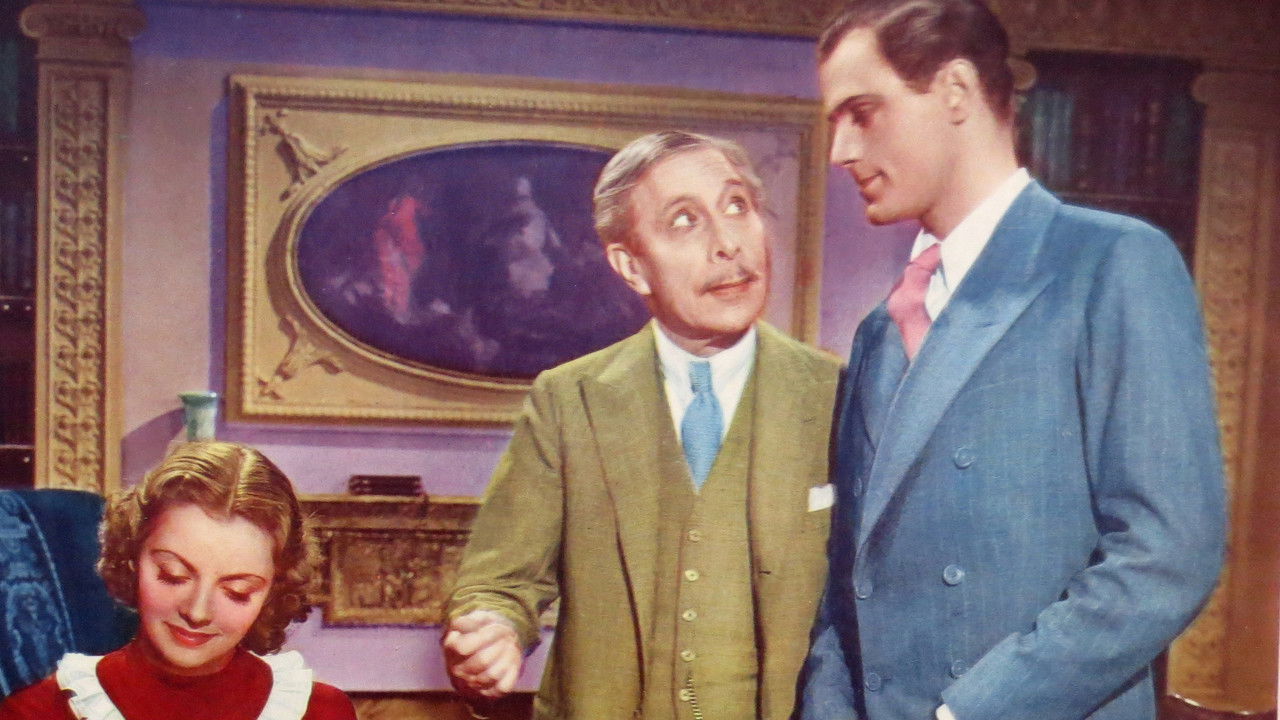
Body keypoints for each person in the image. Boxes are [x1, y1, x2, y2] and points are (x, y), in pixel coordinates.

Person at [798, 2, 1226, 720]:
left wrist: (967, 713)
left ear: (956, 92)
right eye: (834, 121)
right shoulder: (879, 329)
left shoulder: (1112, 263)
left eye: (862, 113)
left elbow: (1168, 555)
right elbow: (846, 589)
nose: (839, 150)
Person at [442, 130, 842, 720]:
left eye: (737, 206)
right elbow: (500, 582)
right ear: (632, 267)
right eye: (685, 220)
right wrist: (492, 630)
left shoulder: (840, 394)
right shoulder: (568, 401)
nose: (728, 243)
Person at [0, 442, 357, 720]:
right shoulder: (41, 711)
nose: (197, 612)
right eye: (173, 576)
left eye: (237, 592)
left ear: (273, 591)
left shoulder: (320, 712)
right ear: (132, 558)